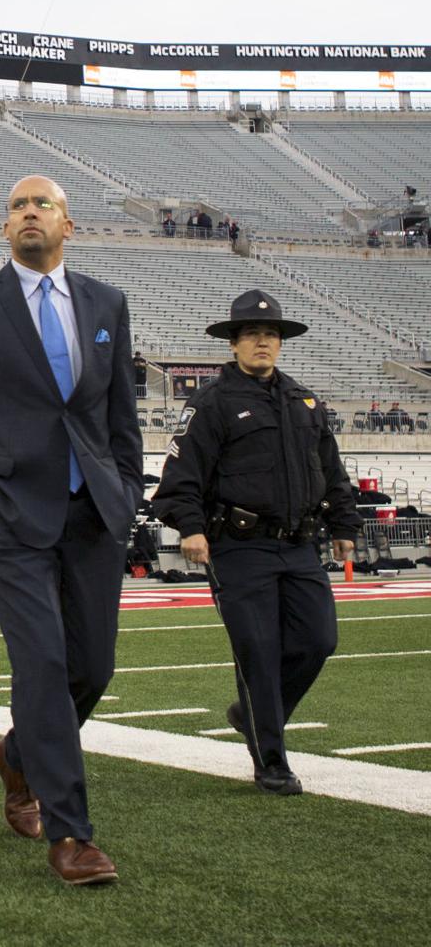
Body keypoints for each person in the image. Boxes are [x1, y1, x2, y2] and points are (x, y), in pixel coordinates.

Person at [0, 175, 142, 886]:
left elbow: (119, 417)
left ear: (66, 225)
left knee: (92, 668)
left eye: (40, 204)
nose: (27, 214)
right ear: (5, 225)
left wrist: (127, 494)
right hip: (10, 514)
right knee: (43, 662)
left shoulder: (108, 303)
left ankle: (18, 757)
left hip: (92, 514)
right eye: (16, 205)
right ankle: (72, 833)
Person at [152, 290, 360, 796]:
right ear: (236, 343)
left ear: (280, 344)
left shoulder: (304, 401)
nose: (262, 342)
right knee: (259, 652)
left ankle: (250, 715)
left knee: (318, 641)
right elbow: (180, 475)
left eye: (270, 335)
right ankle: (271, 761)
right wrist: (192, 526)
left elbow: (331, 472)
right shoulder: (212, 402)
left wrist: (346, 527)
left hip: (299, 545)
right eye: (252, 335)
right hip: (238, 546)